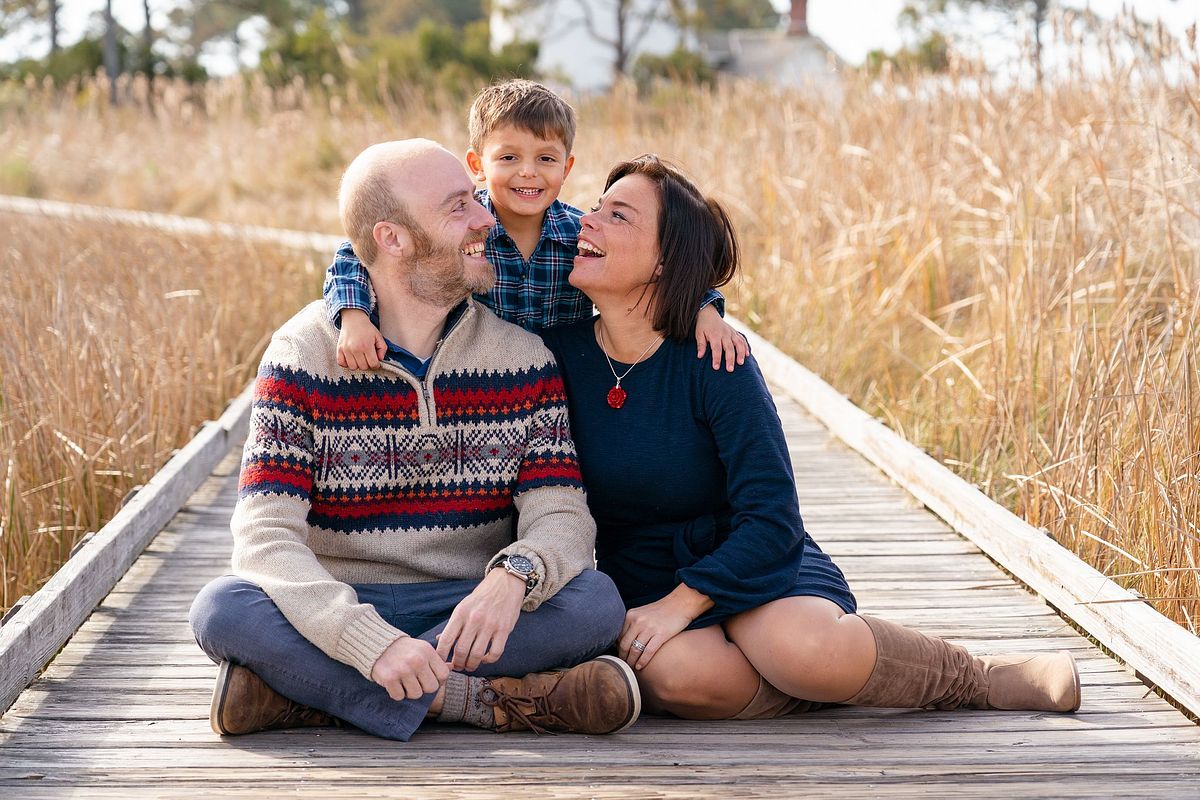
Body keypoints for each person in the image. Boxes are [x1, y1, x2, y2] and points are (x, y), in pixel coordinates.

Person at [539, 154, 1081, 720]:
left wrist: (685, 603)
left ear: (664, 261)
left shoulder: (715, 358)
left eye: (618, 216)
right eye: (595, 209)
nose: (587, 222)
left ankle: (976, 677)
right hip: (643, 571)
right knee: (678, 679)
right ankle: (823, 684)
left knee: (805, 646)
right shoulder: (556, 355)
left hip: (749, 554)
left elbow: (772, 517)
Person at [188, 139, 642, 742]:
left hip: (469, 602)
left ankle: (310, 695)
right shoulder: (302, 356)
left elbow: (561, 513)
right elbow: (265, 536)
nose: (487, 218)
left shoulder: (523, 358)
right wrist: (368, 644)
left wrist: (514, 577)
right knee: (223, 609)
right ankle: (476, 700)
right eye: (459, 208)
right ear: (392, 238)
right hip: (341, 599)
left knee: (594, 601)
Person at [324, 78, 750, 374]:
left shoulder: (578, 234)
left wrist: (705, 310)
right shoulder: (467, 228)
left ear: (566, 168)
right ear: (477, 165)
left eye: (545, 159)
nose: (528, 173)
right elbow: (356, 253)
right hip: (474, 381)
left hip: (563, 391)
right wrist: (354, 315)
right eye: (508, 158)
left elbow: (652, 267)